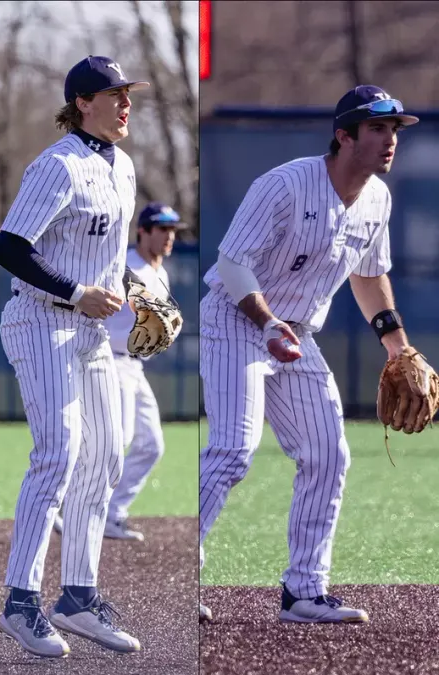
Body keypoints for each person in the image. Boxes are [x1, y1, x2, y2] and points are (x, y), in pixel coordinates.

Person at [198, 85, 421, 624]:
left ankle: (304, 591)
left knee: (328, 453)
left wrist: (400, 347)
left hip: (297, 335)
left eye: (394, 129)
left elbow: (369, 277)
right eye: (376, 128)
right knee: (233, 448)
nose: (390, 140)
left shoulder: (378, 199)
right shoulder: (286, 184)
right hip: (236, 319)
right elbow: (232, 265)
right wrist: (267, 322)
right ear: (344, 136)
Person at [0, 55, 149, 658]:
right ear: (83, 102)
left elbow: (104, 255)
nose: (126, 103)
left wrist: (132, 289)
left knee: (106, 456)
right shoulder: (56, 167)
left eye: (128, 93)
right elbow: (8, 248)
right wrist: (78, 292)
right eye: (115, 94)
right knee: (57, 454)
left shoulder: (124, 167)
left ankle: (78, 596)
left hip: (90, 334)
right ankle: (20, 602)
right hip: (41, 322)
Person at [54, 203, 186, 542]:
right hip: (108, 358)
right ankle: (68, 507)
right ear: (142, 231)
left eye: (173, 230)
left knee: (152, 444)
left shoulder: (161, 272)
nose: (168, 236)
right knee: (118, 439)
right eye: (161, 229)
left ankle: (111, 513)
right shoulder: (126, 264)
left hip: (132, 364)